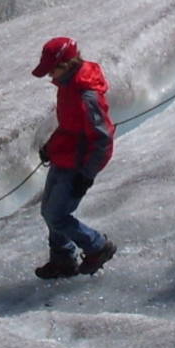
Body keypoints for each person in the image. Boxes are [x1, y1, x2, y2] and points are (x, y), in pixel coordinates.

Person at [31, 36, 117, 278]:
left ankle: (97, 246)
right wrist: (52, 146)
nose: (50, 76)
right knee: (49, 210)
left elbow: (102, 138)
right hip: (64, 156)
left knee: (56, 215)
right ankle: (62, 259)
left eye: (52, 70)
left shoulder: (87, 96)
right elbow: (70, 125)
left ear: (66, 64)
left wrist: (86, 175)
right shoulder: (67, 86)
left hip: (77, 165)